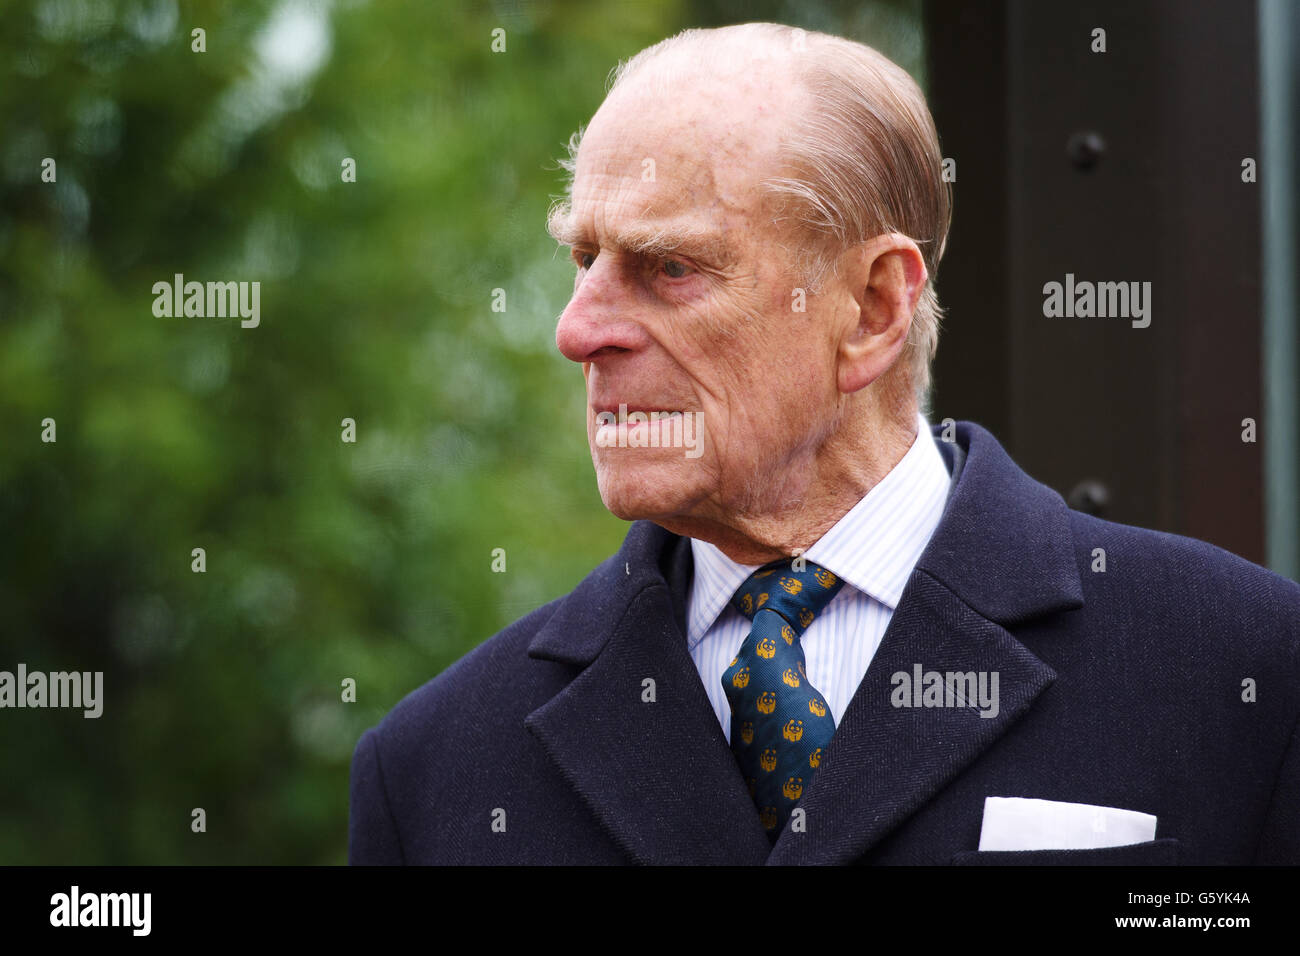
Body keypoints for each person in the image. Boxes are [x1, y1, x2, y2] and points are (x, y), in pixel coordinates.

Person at [349, 22, 1299, 865]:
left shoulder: (1246, 670)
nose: (578, 329)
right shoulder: (433, 768)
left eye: (669, 266)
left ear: (874, 307)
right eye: (584, 260)